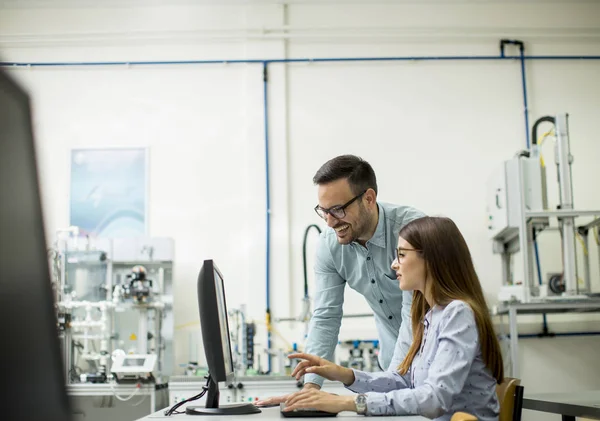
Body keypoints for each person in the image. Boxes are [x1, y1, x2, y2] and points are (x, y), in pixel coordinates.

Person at [281, 216, 504, 421]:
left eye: (402, 255)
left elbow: (434, 398)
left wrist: (346, 403)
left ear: (432, 260)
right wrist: (343, 374)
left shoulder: (458, 314)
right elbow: (405, 383)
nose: (394, 264)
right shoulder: (432, 316)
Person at [257, 155, 424, 406]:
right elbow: (325, 317)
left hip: (430, 362)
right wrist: (310, 388)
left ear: (369, 198)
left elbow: (414, 314)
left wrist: (390, 383)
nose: (330, 221)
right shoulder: (329, 244)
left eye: (338, 209)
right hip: (392, 366)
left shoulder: (411, 230)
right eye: (323, 211)